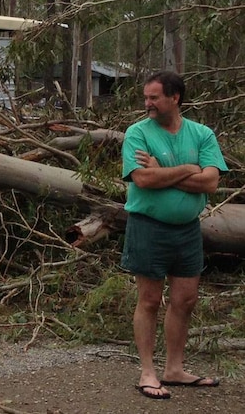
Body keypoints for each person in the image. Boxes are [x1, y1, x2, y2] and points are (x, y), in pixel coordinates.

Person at [120, 70, 228, 400]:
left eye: (154, 97)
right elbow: (143, 180)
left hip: (187, 229)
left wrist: (162, 170)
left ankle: (174, 369)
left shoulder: (201, 134)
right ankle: (148, 372)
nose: (147, 103)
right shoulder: (137, 133)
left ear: (174, 98)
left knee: (185, 300)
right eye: (146, 97)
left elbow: (210, 182)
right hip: (148, 227)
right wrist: (187, 169)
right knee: (150, 300)